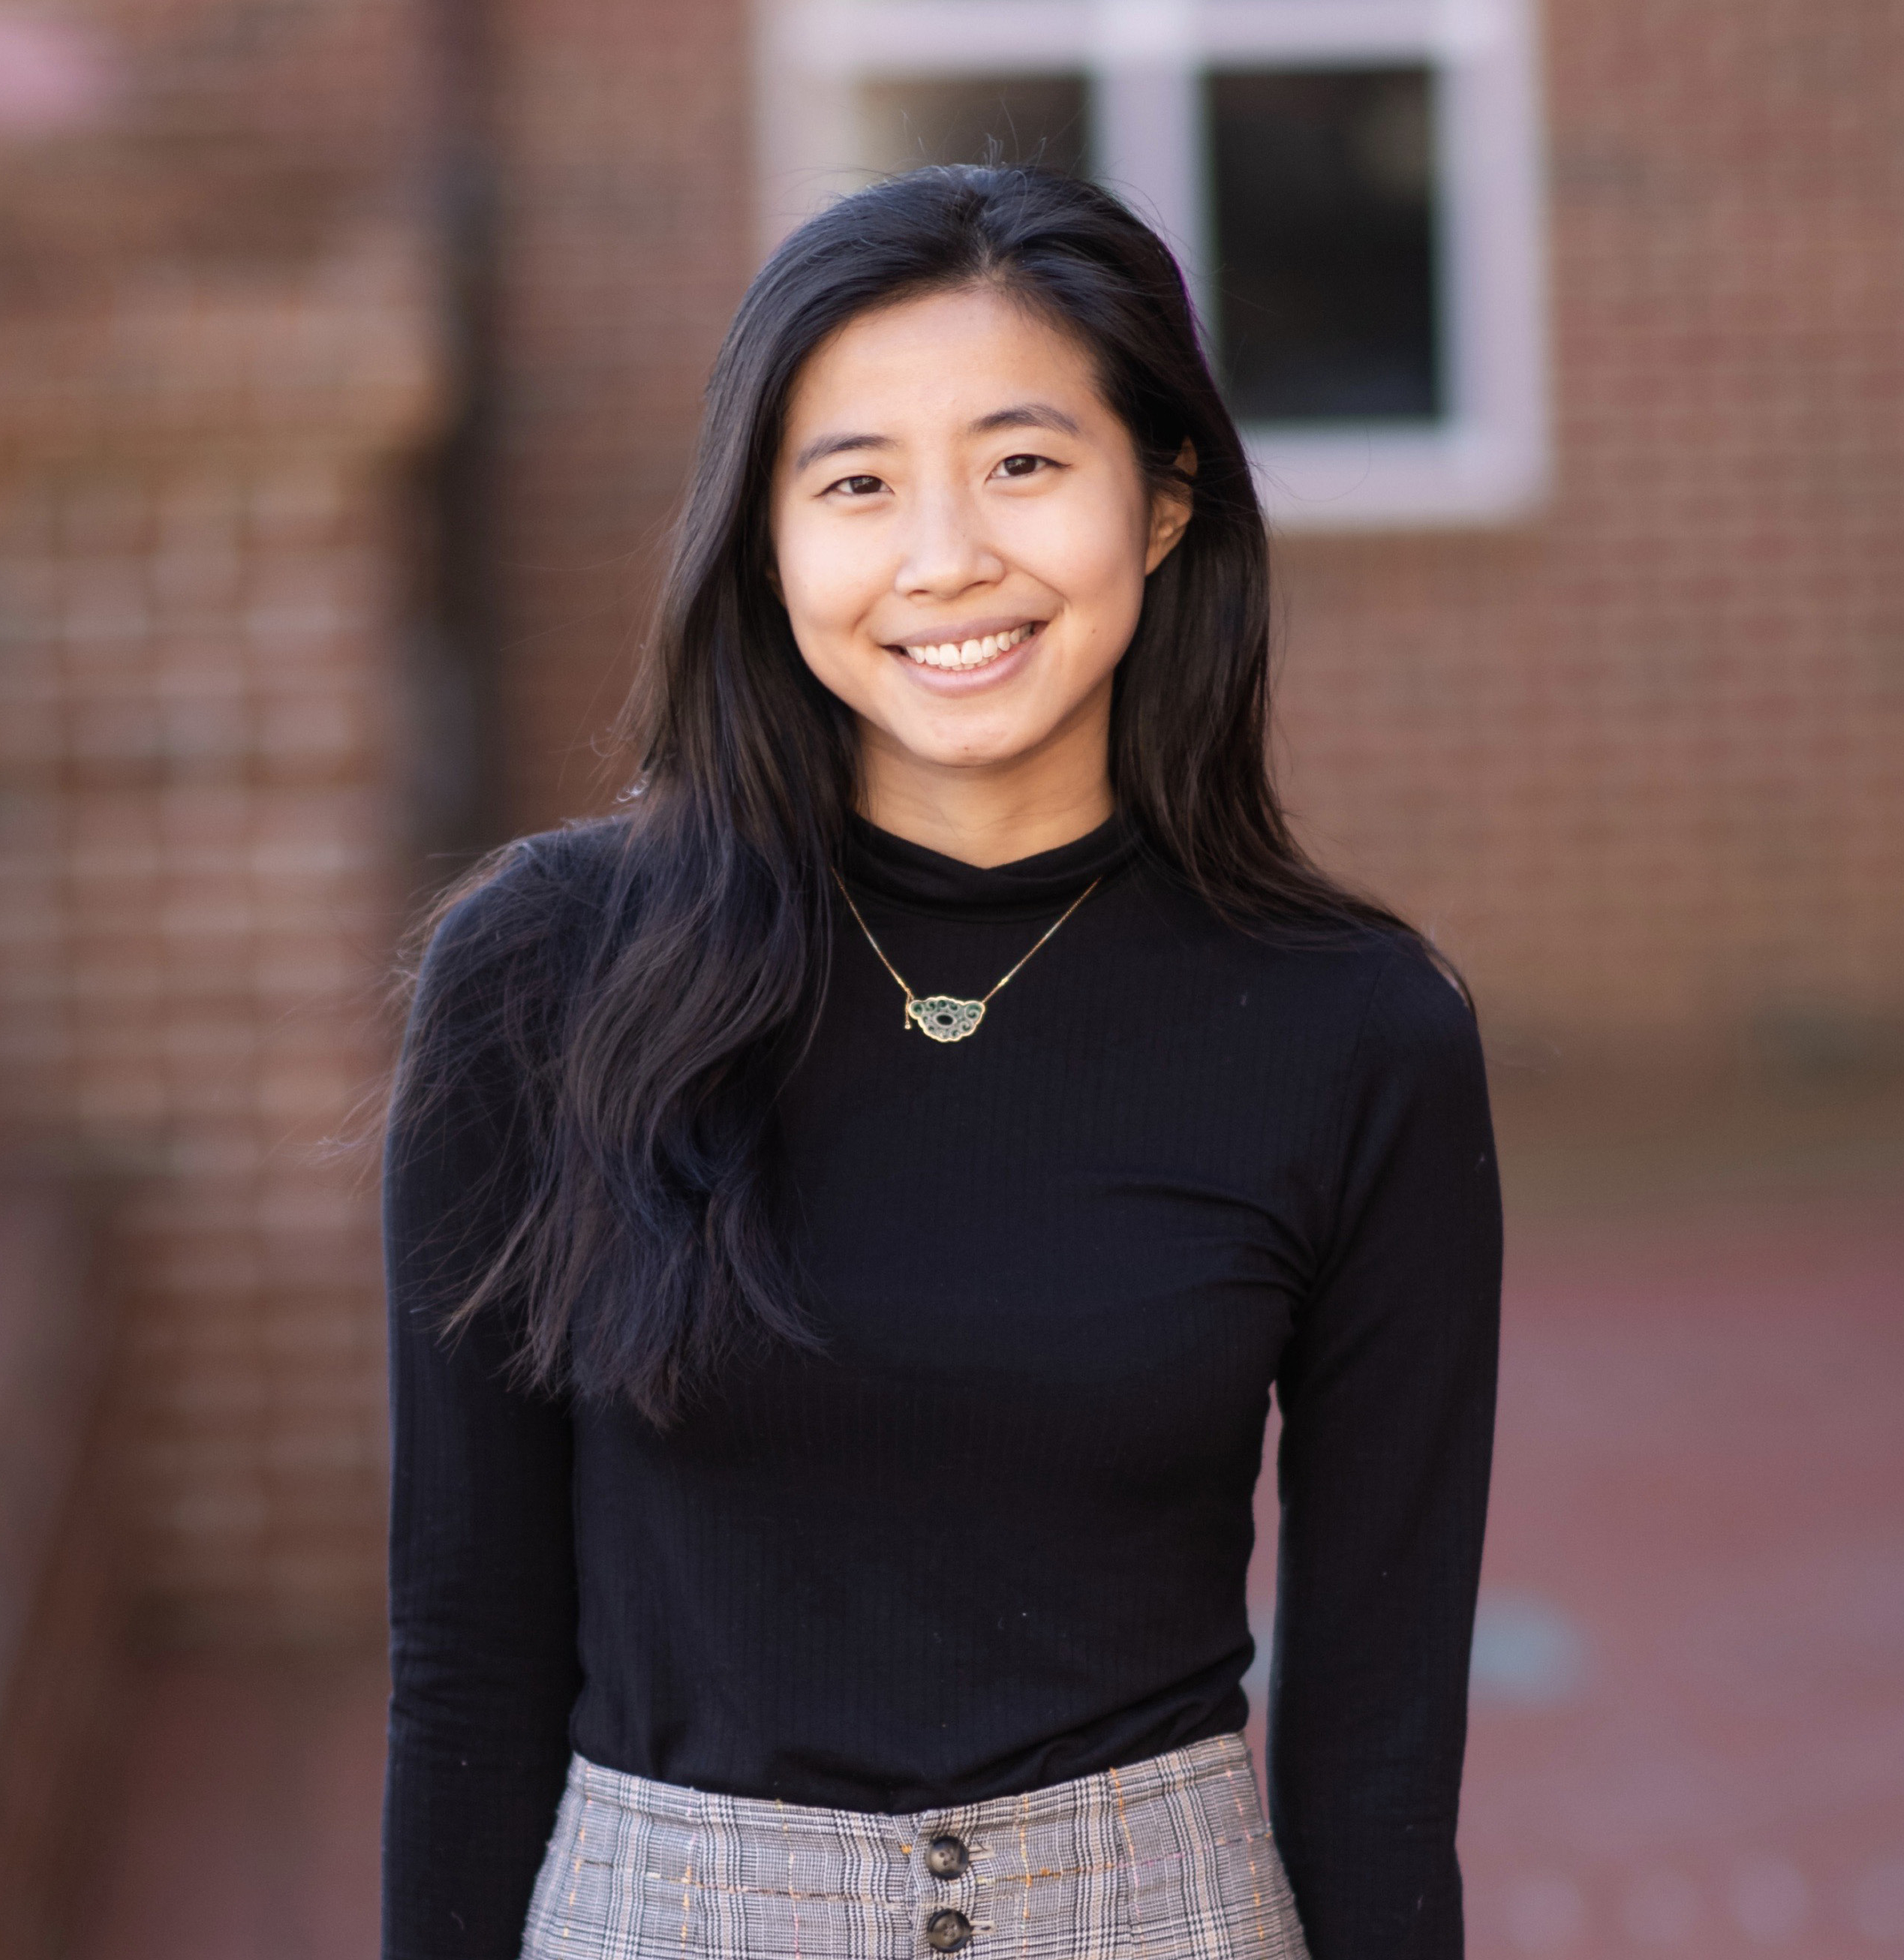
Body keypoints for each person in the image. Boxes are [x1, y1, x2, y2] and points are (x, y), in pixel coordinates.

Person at [382, 164, 1501, 1960]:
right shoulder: (544, 975)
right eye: (856, 484)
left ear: (1161, 501)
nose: (943, 556)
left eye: (1023, 463)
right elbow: (464, 1653)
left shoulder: (1356, 1029)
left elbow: (1377, 1728)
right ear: (766, 539)